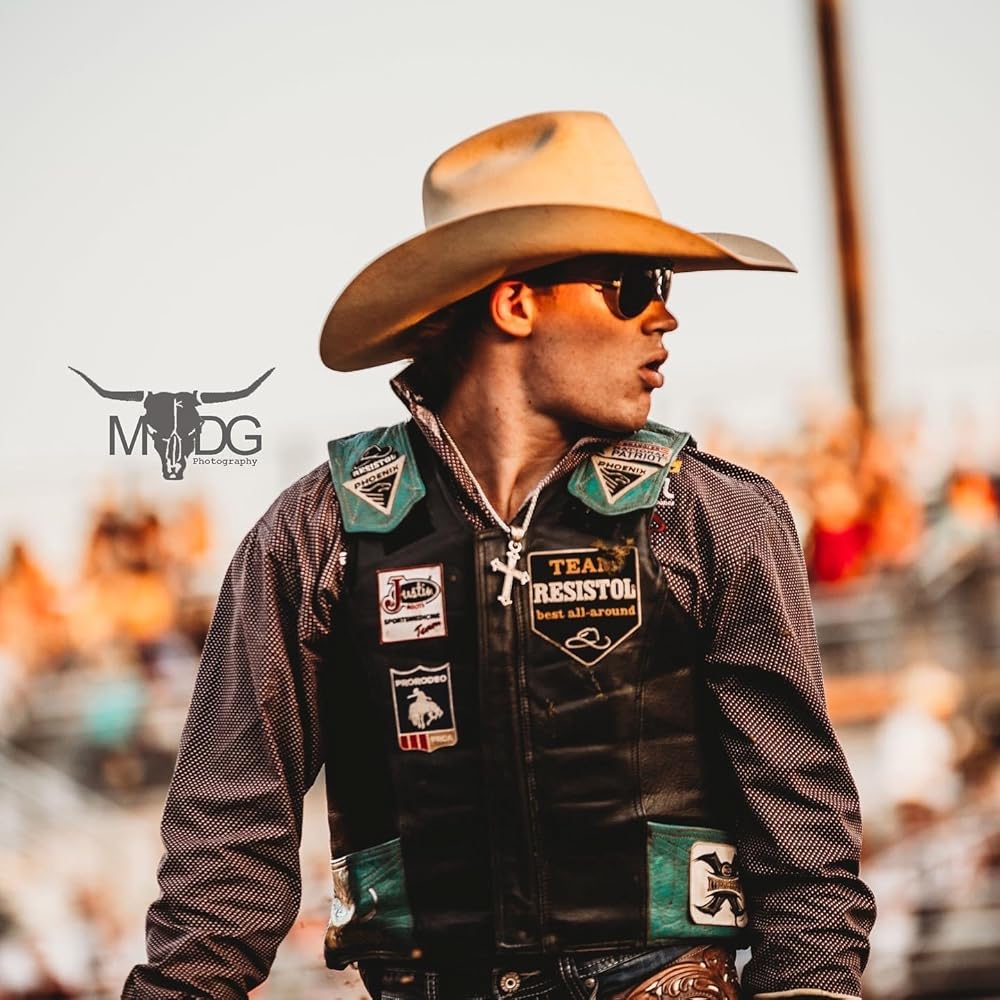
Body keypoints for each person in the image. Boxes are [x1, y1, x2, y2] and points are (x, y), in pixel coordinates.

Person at [124, 111, 875, 1000]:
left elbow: (805, 840)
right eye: (633, 283)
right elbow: (227, 839)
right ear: (515, 302)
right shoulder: (315, 535)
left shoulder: (716, 518)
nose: (666, 315)